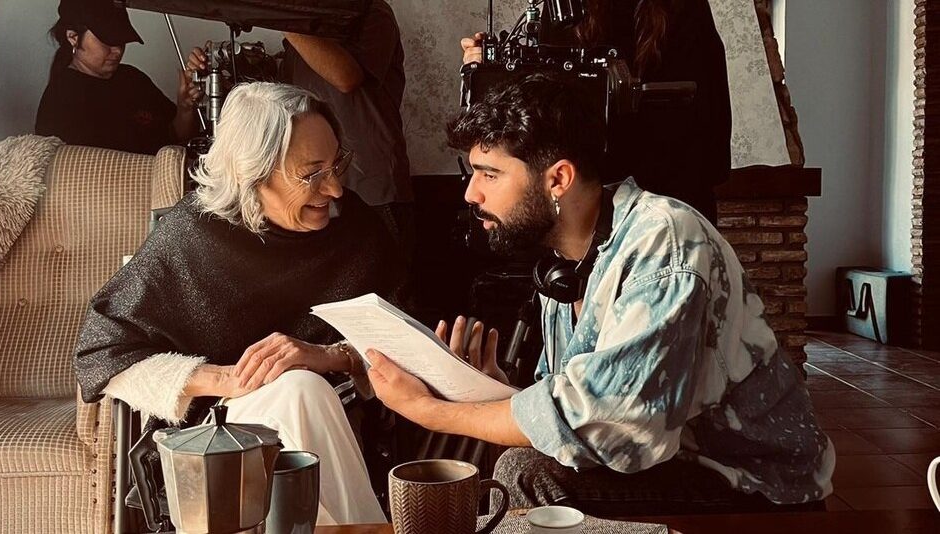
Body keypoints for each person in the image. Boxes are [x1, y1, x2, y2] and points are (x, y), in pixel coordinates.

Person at [365, 73, 835, 516]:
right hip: (665, 459)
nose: (471, 194)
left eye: (489, 174)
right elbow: (575, 404)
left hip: (752, 482)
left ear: (558, 179)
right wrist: (491, 391)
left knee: (525, 473)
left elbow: (615, 422)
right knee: (521, 458)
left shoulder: (664, 241)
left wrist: (429, 411)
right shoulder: (563, 264)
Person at [73, 83, 402, 525]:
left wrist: (328, 356)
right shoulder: (191, 237)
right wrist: (231, 378)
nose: (336, 189)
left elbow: (403, 338)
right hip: (214, 442)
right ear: (253, 174)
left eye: (336, 164)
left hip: (346, 422)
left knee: (302, 390)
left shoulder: (358, 231)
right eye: (312, 174)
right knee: (298, 391)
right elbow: (100, 352)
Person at [460, 0, 731, 223]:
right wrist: (487, 69)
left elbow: (708, 123)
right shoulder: (565, 9)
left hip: (669, 198)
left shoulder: (682, 9)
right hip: (584, 197)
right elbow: (543, 98)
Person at [282, 0, 414, 258]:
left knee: (386, 278)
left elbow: (346, 77)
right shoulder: (304, 25)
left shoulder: (374, 11)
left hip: (372, 190)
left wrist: (282, 21)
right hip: (316, 191)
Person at [36, 0, 203, 154]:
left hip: (164, 174)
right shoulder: (61, 98)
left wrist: (185, 107)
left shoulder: (133, 78)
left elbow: (174, 136)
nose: (117, 50)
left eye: (121, 40)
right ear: (73, 37)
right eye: (107, 41)